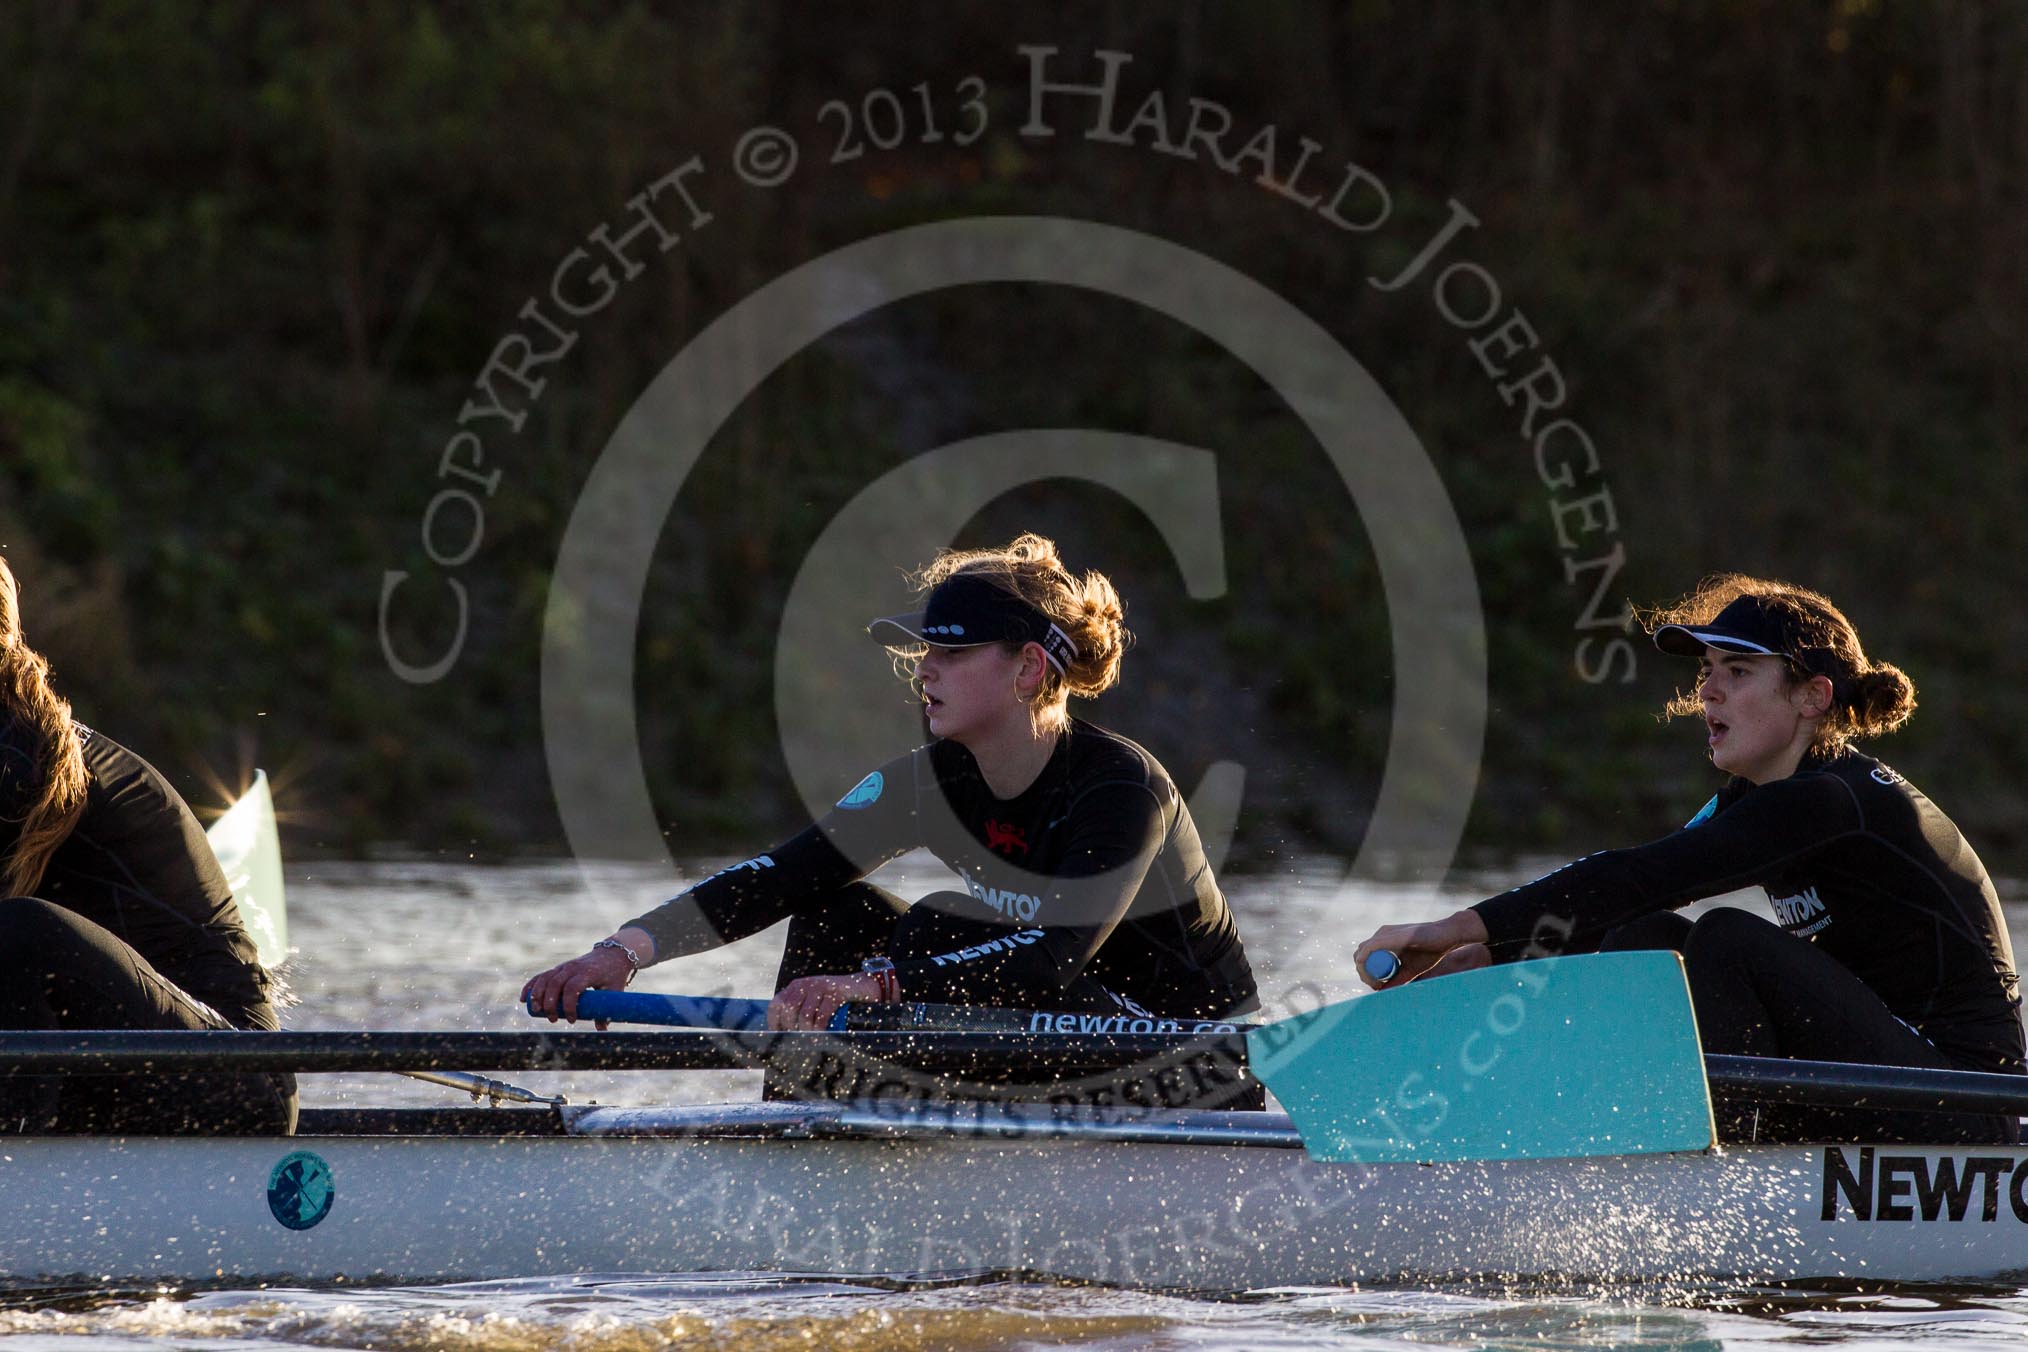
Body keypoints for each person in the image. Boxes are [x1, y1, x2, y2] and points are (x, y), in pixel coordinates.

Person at [525, 533, 1260, 1070]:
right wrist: (619, 953)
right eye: (922, 654)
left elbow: (1050, 957)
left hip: (1187, 1058)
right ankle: (814, 1134)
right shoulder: (929, 783)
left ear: (1028, 668)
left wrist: (872, 986)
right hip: (1053, 1032)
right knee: (837, 913)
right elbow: (779, 876)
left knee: (929, 937)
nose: (925, 673)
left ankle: (875, 1125)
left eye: (951, 654)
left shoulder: (1120, 788)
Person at [1354, 574, 2024, 1144]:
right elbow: (1638, 887)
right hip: (1881, 1080)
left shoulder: (1828, 801)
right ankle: (1612, 1130)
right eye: (1707, 672)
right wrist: (1490, 956)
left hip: (1966, 1102)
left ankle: (1707, 1175)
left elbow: (1633, 874)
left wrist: (1452, 929)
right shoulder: (1759, 799)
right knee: (1645, 938)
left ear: (1813, 698)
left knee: (1728, 941)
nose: (1708, 692)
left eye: (1737, 672)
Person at [0, 556, 294, 1135]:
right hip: (121, 1070)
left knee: (19, 931)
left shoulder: (16, 755)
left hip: (233, 1078)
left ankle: (16, 1178)